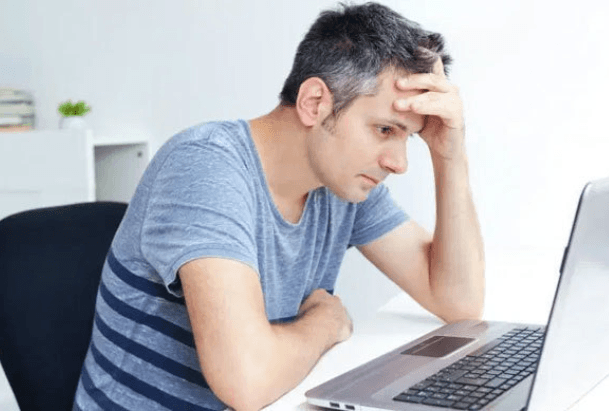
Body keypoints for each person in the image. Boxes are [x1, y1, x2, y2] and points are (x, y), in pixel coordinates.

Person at [73, 2, 484, 410]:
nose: (399, 162)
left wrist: (449, 154)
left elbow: (458, 303)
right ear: (314, 103)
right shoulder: (204, 167)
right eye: (384, 129)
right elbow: (246, 381)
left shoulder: (342, 184)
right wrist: (324, 324)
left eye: (407, 137)